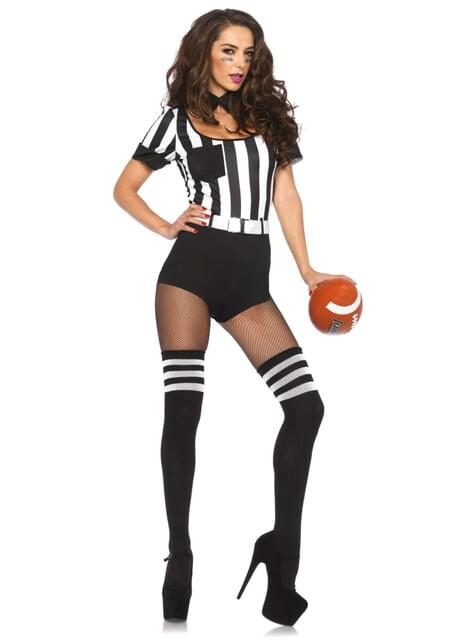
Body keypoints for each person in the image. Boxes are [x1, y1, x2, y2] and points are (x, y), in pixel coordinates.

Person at [113, 8, 353, 626]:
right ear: (204, 53)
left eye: (247, 52)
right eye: (227, 50)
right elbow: (124, 187)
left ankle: (281, 550)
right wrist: (166, 225)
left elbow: (286, 196)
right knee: (183, 413)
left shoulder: (269, 118)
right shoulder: (175, 120)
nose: (239, 62)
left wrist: (307, 270)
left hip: (250, 283)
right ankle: (180, 554)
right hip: (188, 277)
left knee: (306, 408)